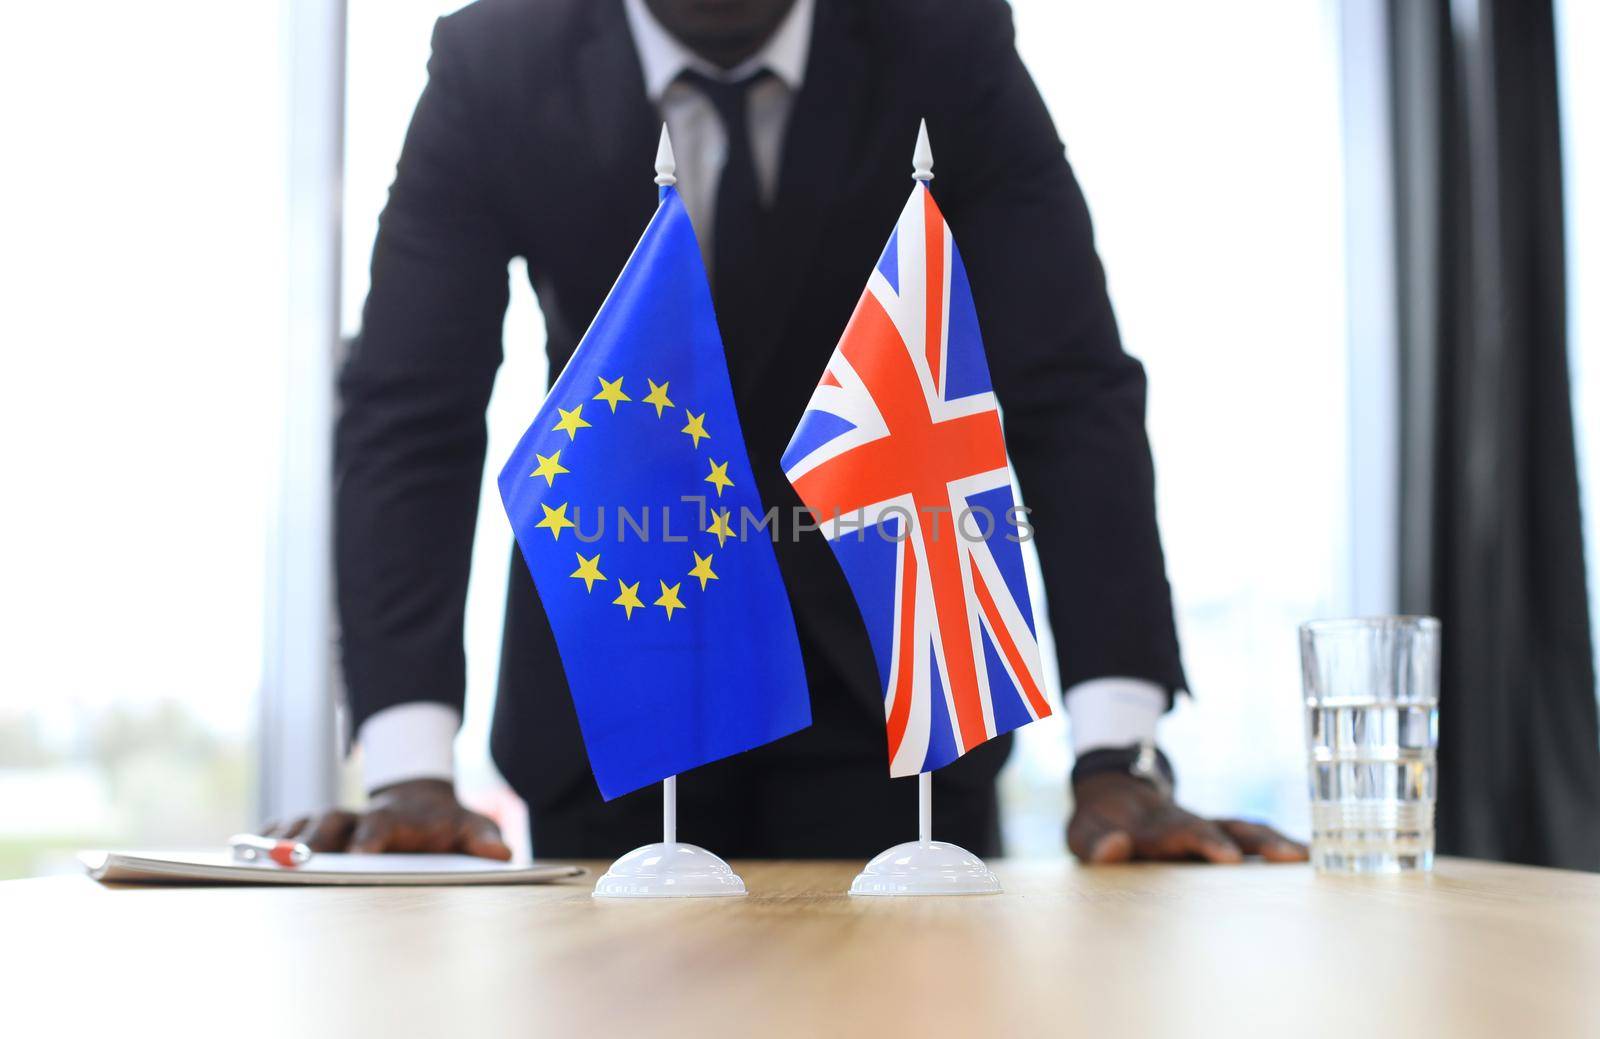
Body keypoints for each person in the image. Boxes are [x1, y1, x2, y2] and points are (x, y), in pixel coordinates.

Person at [271, 0, 1306, 865]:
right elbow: (413, 409)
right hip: (620, 670)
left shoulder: (946, 43)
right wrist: (410, 764)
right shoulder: (496, 60)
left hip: (895, 696)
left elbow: (1068, 389)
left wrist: (1115, 755)